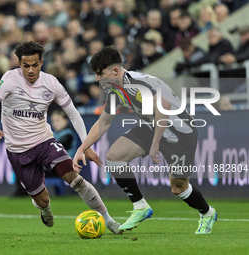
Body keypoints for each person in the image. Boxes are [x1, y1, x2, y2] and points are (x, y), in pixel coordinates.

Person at [0, 41, 121, 234]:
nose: (30, 70)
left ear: (42, 62)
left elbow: (73, 114)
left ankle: (108, 219)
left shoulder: (51, 83)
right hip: (18, 151)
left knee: (75, 179)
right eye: (25, 65)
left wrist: (86, 145)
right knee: (42, 199)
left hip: (44, 141)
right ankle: (44, 208)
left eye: (35, 65)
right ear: (19, 63)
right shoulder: (9, 79)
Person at [73, 46, 217, 234]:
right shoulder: (115, 91)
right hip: (152, 127)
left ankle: (207, 213)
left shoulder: (139, 83)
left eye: (101, 73)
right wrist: (82, 148)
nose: (97, 79)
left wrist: (155, 144)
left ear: (115, 70)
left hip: (180, 133)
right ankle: (140, 206)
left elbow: (163, 107)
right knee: (114, 156)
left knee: (178, 188)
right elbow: (104, 123)